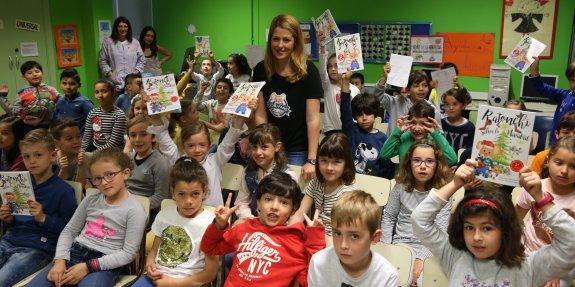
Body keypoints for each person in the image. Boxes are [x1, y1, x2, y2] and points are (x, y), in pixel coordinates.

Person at [411, 159, 575, 286]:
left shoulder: (528, 266)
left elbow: (571, 242)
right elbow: (420, 220)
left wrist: (541, 198)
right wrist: (455, 184)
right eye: (469, 227)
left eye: (487, 228)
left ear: (505, 230)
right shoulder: (454, 255)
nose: (476, 237)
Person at [28, 147, 146, 287]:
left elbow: (128, 253)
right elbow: (70, 231)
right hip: (74, 252)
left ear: (126, 173)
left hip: (105, 263)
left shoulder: (135, 210)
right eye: (97, 178)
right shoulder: (91, 199)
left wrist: (88, 266)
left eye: (110, 174)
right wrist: (60, 260)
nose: (103, 182)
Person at [200, 172, 326, 286]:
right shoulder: (244, 228)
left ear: (293, 210)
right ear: (258, 202)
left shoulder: (296, 244)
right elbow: (209, 247)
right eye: (268, 199)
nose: (275, 207)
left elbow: (311, 282)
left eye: (284, 202)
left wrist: (315, 242)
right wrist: (218, 225)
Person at [0, 129, 77, 286]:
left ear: (53, 156)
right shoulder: (19, 183)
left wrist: (44, 218)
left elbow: (72, 231)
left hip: (38, 249)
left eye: (38, 155)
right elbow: (16, 223)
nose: (32, 161)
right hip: (9, 240)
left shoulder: (64, 191)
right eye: (26, 156)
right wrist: (8, 219)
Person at [253, 14, 324, 180]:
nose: (280, 45)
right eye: (275, 39)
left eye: (286, 40)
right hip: (270, 147)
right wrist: (263, 148)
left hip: (298, 150)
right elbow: (261, 115)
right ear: (270, 40)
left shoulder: (308, 71)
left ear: (295, 41)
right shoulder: (261, 69)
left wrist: (312, 160)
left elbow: (313, 120)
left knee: (291, 199)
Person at [132, 157, 218, 287]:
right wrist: (150, 266)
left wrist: (174, 283)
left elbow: (210, 273)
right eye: (181, 194)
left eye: (195, 194)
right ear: (173, 193)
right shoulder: (164, 215)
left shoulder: (210, 223)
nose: (188, 201)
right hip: (157, 279)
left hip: (187, 282)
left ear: (204, 192)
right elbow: (154, 252)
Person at [381, 140, 452, 285]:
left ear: (437, 165)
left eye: (429, 161)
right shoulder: (400, 187)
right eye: (417, 161)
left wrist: (421, 258)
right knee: (393, 279)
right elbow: (388, 217)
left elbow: (441, 230)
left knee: (421, 281)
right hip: (402, 244)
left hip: (431, 248)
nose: (423, 166)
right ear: (409, 163)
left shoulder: (443, 193)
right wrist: (386, 246)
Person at [516, 137, 575, 287]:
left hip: (561, 262)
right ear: (548, 160)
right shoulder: (534, 187)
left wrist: (554, 269)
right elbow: (515, 221)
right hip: (527, 252)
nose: (564, 171)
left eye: (573, 166)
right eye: (559, 162)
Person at [308, 190, 398, 286]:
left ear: (375, 237)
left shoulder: (387, 276)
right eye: (338, 233)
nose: (343, 245)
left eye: (354, 236)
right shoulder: (318, 263)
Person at [179, 105, 254, 207]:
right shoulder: (180, 162)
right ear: (183, 146)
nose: (197, 150)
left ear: (209, 145)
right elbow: (166, 145)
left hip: (212, 216)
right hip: (186, 213)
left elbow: (229, 142)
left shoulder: (215, 160)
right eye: (191, 146)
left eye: (202, 145)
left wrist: (241, 115)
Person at [292, 133, 357, 235]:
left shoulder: (348, 193)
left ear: (346, 163)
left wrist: (317, 232)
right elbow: (300, 214)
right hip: (315, 235)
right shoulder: (316, 182)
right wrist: (286, 232)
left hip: (335, 242)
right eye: (324, 161)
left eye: (336, 162)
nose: (329, 167)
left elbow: (343, 232)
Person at [234, 123, 298, 221]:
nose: (258, 152)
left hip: (276, 225)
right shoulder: (249, 172)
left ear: (277, 147)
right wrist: (249, 218)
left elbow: (289, 209)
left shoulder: (288, 175)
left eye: (264, 147)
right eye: (254, 147)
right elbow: (241, 202)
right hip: (252, 221)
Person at [340, 71, 392, 178]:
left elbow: (386, 167)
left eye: (368, 113)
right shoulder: (351, 130)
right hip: (350, 182)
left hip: (373, 185)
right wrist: (345, 82)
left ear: (375, 114)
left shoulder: (382, 138)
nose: (364, 118)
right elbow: (345, 109)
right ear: (354, 116)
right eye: (359, 115)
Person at [380, 101, 457, 166]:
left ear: (430, 123)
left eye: (423, 124)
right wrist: (397, 132)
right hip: (404, 181)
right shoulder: (404, 137)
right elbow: (384, 155)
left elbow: (452, 160)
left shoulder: (435, 139)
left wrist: (436, 134)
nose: (417, 129)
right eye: (413, 123)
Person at [124, 115, 170, 213]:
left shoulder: (161, 163)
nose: (137, 139)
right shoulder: (128, 158)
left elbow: (160, 197)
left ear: (153, 137)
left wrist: (133, 207)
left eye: (143, 134)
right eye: (133, 135)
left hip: (144, 211)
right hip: (123, 205)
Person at [374, 68, 442, 135]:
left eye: (425, 85)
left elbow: (439, 133)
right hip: (395, 144)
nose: (421, 89)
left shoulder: (432, 109)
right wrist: (384, 78)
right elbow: (377, 97)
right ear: (408, 90)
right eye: (416, 86)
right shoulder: (396, 102)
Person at [317, 31, 360, 134]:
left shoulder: (355, 89)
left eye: (336, 66)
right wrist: (322, 47)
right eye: (330, 66)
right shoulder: (328, 86)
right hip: (331, 131)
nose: (332, 69)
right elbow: (322, 71)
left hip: (350, 130)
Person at [529, 57, 575, 143]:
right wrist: (534, 68)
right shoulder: (564, 95)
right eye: (573, 80)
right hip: (556, 143)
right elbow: (541, 88)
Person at [0, 61, 59, 127]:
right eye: (30, 73)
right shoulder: (22, 93)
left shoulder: (51, 89)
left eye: (37, 71)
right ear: (24, 77)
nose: (34, 74)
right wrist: (2, 98)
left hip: (52, 126)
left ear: (42, 73)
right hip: (29, 128)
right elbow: (14, 112)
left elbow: (62, 101)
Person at [99, 16, 145, 91]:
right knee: (117, 102)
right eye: (120, 26)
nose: (123, 29)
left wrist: (135, 73)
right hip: (114, 83)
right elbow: (102, 61)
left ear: (128, 28)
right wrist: (111, 75)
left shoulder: (135, 42)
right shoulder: (107, 42)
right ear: (116, 28)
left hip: (132, 82)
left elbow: (142, 60)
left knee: (133, 102)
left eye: (125, 26)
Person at [82, 79, 127, 152]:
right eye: (97, 92)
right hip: (96, 149)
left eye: (104, 91)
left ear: (112, 93)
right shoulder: (92, 113)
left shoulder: (119, 115)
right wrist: (81, 151)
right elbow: (87, 137)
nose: (100, 95)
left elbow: (113, 143)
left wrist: (94, 154)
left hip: (114, 152)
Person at [54, 68, 94, 134]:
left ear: (79, 85)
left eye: (72, 84)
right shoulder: (59, 102)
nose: (68, 87)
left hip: (79, 141)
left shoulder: (85, 103)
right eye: (64, 83)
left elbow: (95, 124)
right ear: (60, 84)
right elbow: (55, 121)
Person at [441, 87, 475, 153]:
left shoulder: (470, 127)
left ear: (463, 105)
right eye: (447, 104)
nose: (451, 108)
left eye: (455, 104)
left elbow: (470, 150)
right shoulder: (441, 123)